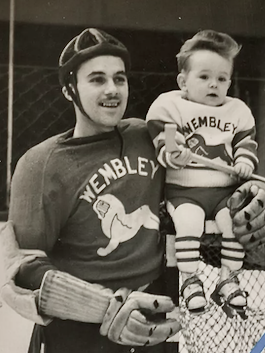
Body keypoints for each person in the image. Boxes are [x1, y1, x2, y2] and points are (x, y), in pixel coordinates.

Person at [1, 28, 265, 353]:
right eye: (97, 79)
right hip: (80, 333)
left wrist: (249, 196)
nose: (113, 89)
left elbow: (208, 184)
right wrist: (103, 308)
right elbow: (21, 268)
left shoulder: (148, 137)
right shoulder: (40, 163)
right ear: (69, 89)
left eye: (120, 78)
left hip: (157, 317)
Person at [146, 30, 259, 313]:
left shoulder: (237, 110)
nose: (214, 85)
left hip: (224, 191)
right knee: (189, 223)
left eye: (222, 79)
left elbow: (245, 142)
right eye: (204, 77)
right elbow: (165, 140)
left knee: (233, 225)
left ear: (230, 82)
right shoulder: (171, 105)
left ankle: (228, 280)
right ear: (183, 82)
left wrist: (245, 161)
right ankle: (190, 279)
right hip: (186, 190)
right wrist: (174, 152)